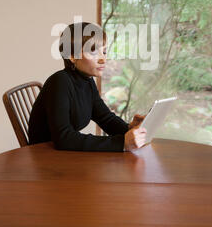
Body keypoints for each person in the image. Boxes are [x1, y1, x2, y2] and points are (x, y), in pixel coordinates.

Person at [28, 21, 146, 152]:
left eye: (104, 51)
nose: (103, 59)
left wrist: (128, 129)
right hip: (44, 157)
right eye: (94, 52)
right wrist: (121, 143)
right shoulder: (59, 82)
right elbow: (64, 138)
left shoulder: (87, 81)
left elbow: (105, 118)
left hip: (64, 155)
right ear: (72, 56)